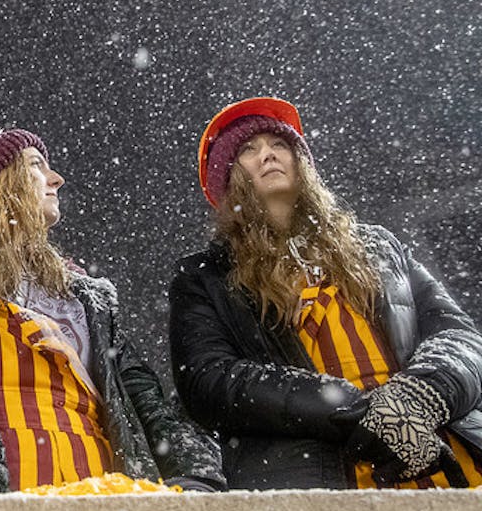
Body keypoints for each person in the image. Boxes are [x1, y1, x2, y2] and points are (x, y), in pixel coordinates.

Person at [0, 130, 225, 497]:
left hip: (107, 509)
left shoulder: (84, 299)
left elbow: (145, 400)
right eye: (36, 165)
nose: (56, 179)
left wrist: (196, 479)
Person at [170, 97, 482, 490]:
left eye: (279, 145)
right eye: (249, 150)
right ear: (229, 179)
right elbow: (208, 381)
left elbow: (460, 337)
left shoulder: (378, 246)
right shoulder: (205, 276)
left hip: (446, 451)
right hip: (322, 478)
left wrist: (423, 393)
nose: (267, 155)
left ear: (303, 163)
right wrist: (353, 409)